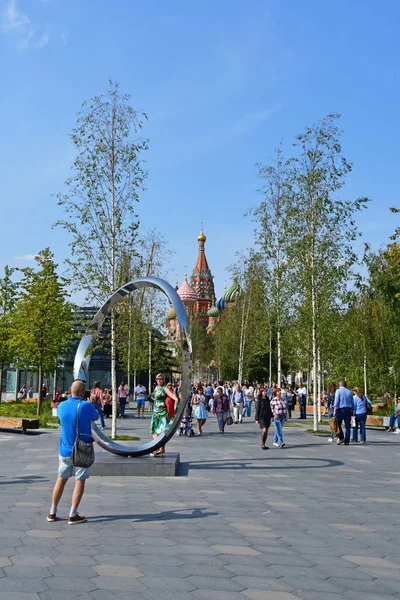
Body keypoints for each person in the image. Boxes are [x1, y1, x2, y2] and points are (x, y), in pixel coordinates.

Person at [47, 379, 98, 525]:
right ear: (83, 392)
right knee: (79, 481)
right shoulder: (86, 405)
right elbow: (94, 417)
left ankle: (52, 512)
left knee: (61, 479)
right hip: (81, 449)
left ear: (70, 390)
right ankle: (73, 514)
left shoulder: (62, 405)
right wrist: (92, 402)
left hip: (65, 449)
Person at [150, 373, 178, 456]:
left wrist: (176, 399)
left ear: (163, 380)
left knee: (162, 431)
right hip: (155, 412)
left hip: (162, 412)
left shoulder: (164, 388)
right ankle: (159, 447)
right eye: (157, 379)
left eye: (160, 379)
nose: (159, 380)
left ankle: (160, 448)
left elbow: (171, 394)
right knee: (154, 431)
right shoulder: (156, 388)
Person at [334, 380, 354, 445]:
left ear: (340, 385)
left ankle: (341, 437)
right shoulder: (349, 392)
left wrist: (335, 410)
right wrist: (352, 410)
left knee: (337, 424)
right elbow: (352, 402)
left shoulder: (338, 391)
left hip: (340, 409)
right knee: (347, 425)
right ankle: (347, 440)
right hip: (348, 409)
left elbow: (337, 401)